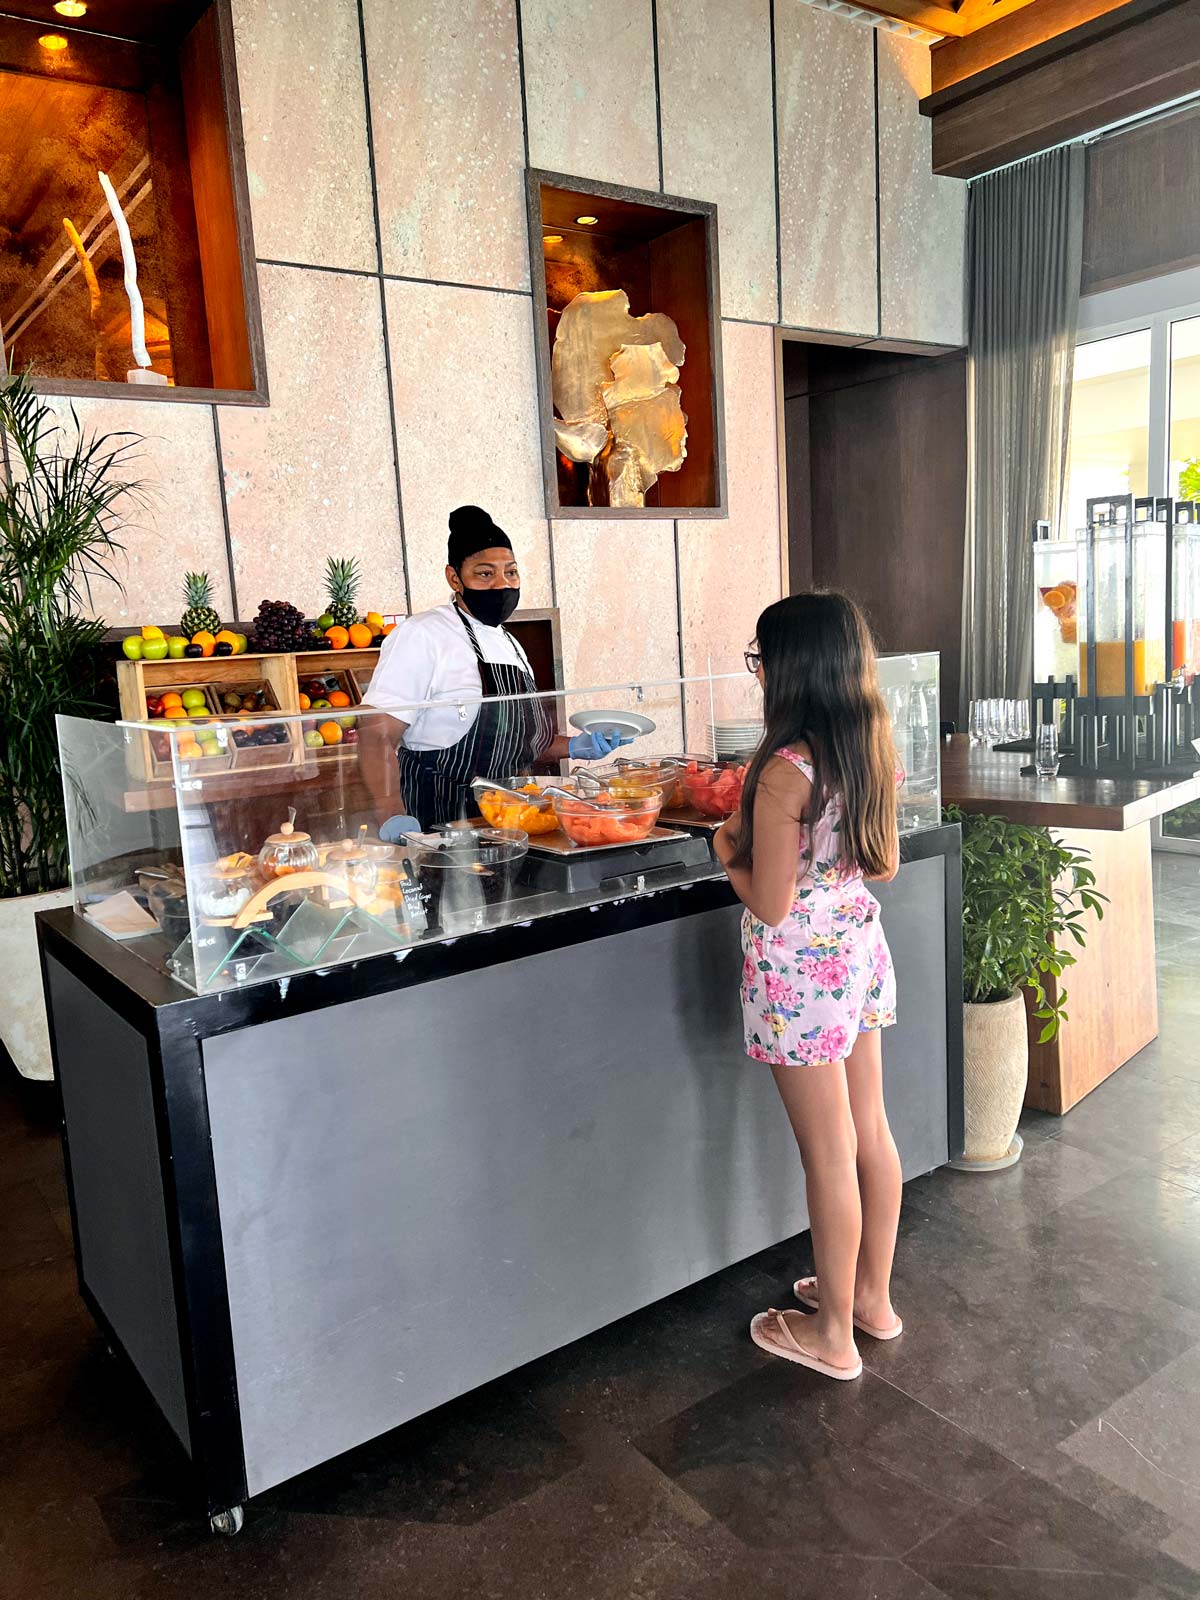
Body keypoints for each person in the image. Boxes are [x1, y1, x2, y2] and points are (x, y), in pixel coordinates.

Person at [713, 591, 904, 1382]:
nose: (757, 673)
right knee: (871, 1132)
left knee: (826, 1156)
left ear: (789, 667)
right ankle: (870, 1301)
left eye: (760, 658)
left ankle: (830, 1337)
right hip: (856, 948)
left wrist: (727, 850)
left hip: (798, 974)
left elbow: (771, 900)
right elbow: (884, 863)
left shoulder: (786, 771)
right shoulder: (872, 748)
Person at [359, 505, 630, 830]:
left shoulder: (510, 643)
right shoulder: (423, 634)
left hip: (514, 822)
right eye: (485, 574)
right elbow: (375, 736)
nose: (502, 585)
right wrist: (390, 812)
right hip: (445, 824)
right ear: (454, 578)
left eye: (511, 572)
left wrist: (575, 746)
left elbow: (521, 742)